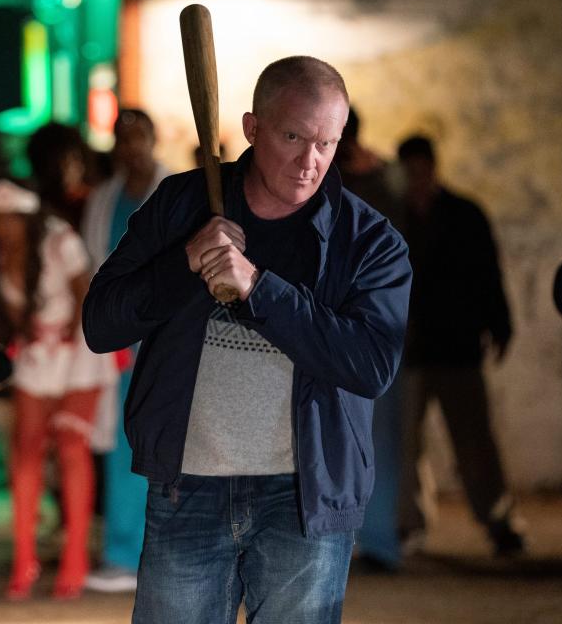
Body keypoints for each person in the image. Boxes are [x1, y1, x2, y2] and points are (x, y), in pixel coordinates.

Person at [83, 56, 412, 622]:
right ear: (252, 127)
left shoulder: (370, 242)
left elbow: (371, 364)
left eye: (327, 143)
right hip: (188, 489)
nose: (310, 162)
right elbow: (101, 324)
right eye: (293, 136)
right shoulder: (180, 206)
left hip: (303, 498)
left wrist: (259, 287)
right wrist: (184, 261)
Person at [0, 179, 114, 601]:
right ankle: (24, 560)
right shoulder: (0, 253)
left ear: (24, 217)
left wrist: (68, 355)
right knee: (26, 453)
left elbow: (84, 296)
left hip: (79, 353)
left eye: (6, 218)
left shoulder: (61, 240)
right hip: (37, 358)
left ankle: (74, 560)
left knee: (72, 447)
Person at [396, 134, 524, 556]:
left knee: (474, 440)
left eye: (419, 169)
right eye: (409, 171)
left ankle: (497, 518)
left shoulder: (463, 215)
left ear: (432, 167)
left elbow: (488, 274)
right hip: (411, 349)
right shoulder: (395, 217)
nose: (416, 178)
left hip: (455, 345)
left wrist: (499, 325)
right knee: (406, 445)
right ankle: (409, 526)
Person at [79, 108, 170, 594]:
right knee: (119, 448)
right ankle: (120, 551)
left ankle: (157, 552)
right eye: (123, 139)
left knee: (163, 443)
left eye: (140, 137)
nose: (131, 148)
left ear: (154, 140)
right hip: (118, 343)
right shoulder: (103, 199)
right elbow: (95, 266)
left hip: (164, 338)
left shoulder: (178, 189)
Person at [334, 106, 407, 572]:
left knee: (350, 438)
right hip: (380, 329)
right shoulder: (386, 185)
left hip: (344, 330)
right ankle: (376, 540)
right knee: (378, 439)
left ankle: (364, 539)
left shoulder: (329, 189)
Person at [26, 122, 92, 230]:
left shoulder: (96, 201)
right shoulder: (34, 208)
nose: (79, 168)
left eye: (78, 160)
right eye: (69, 162)